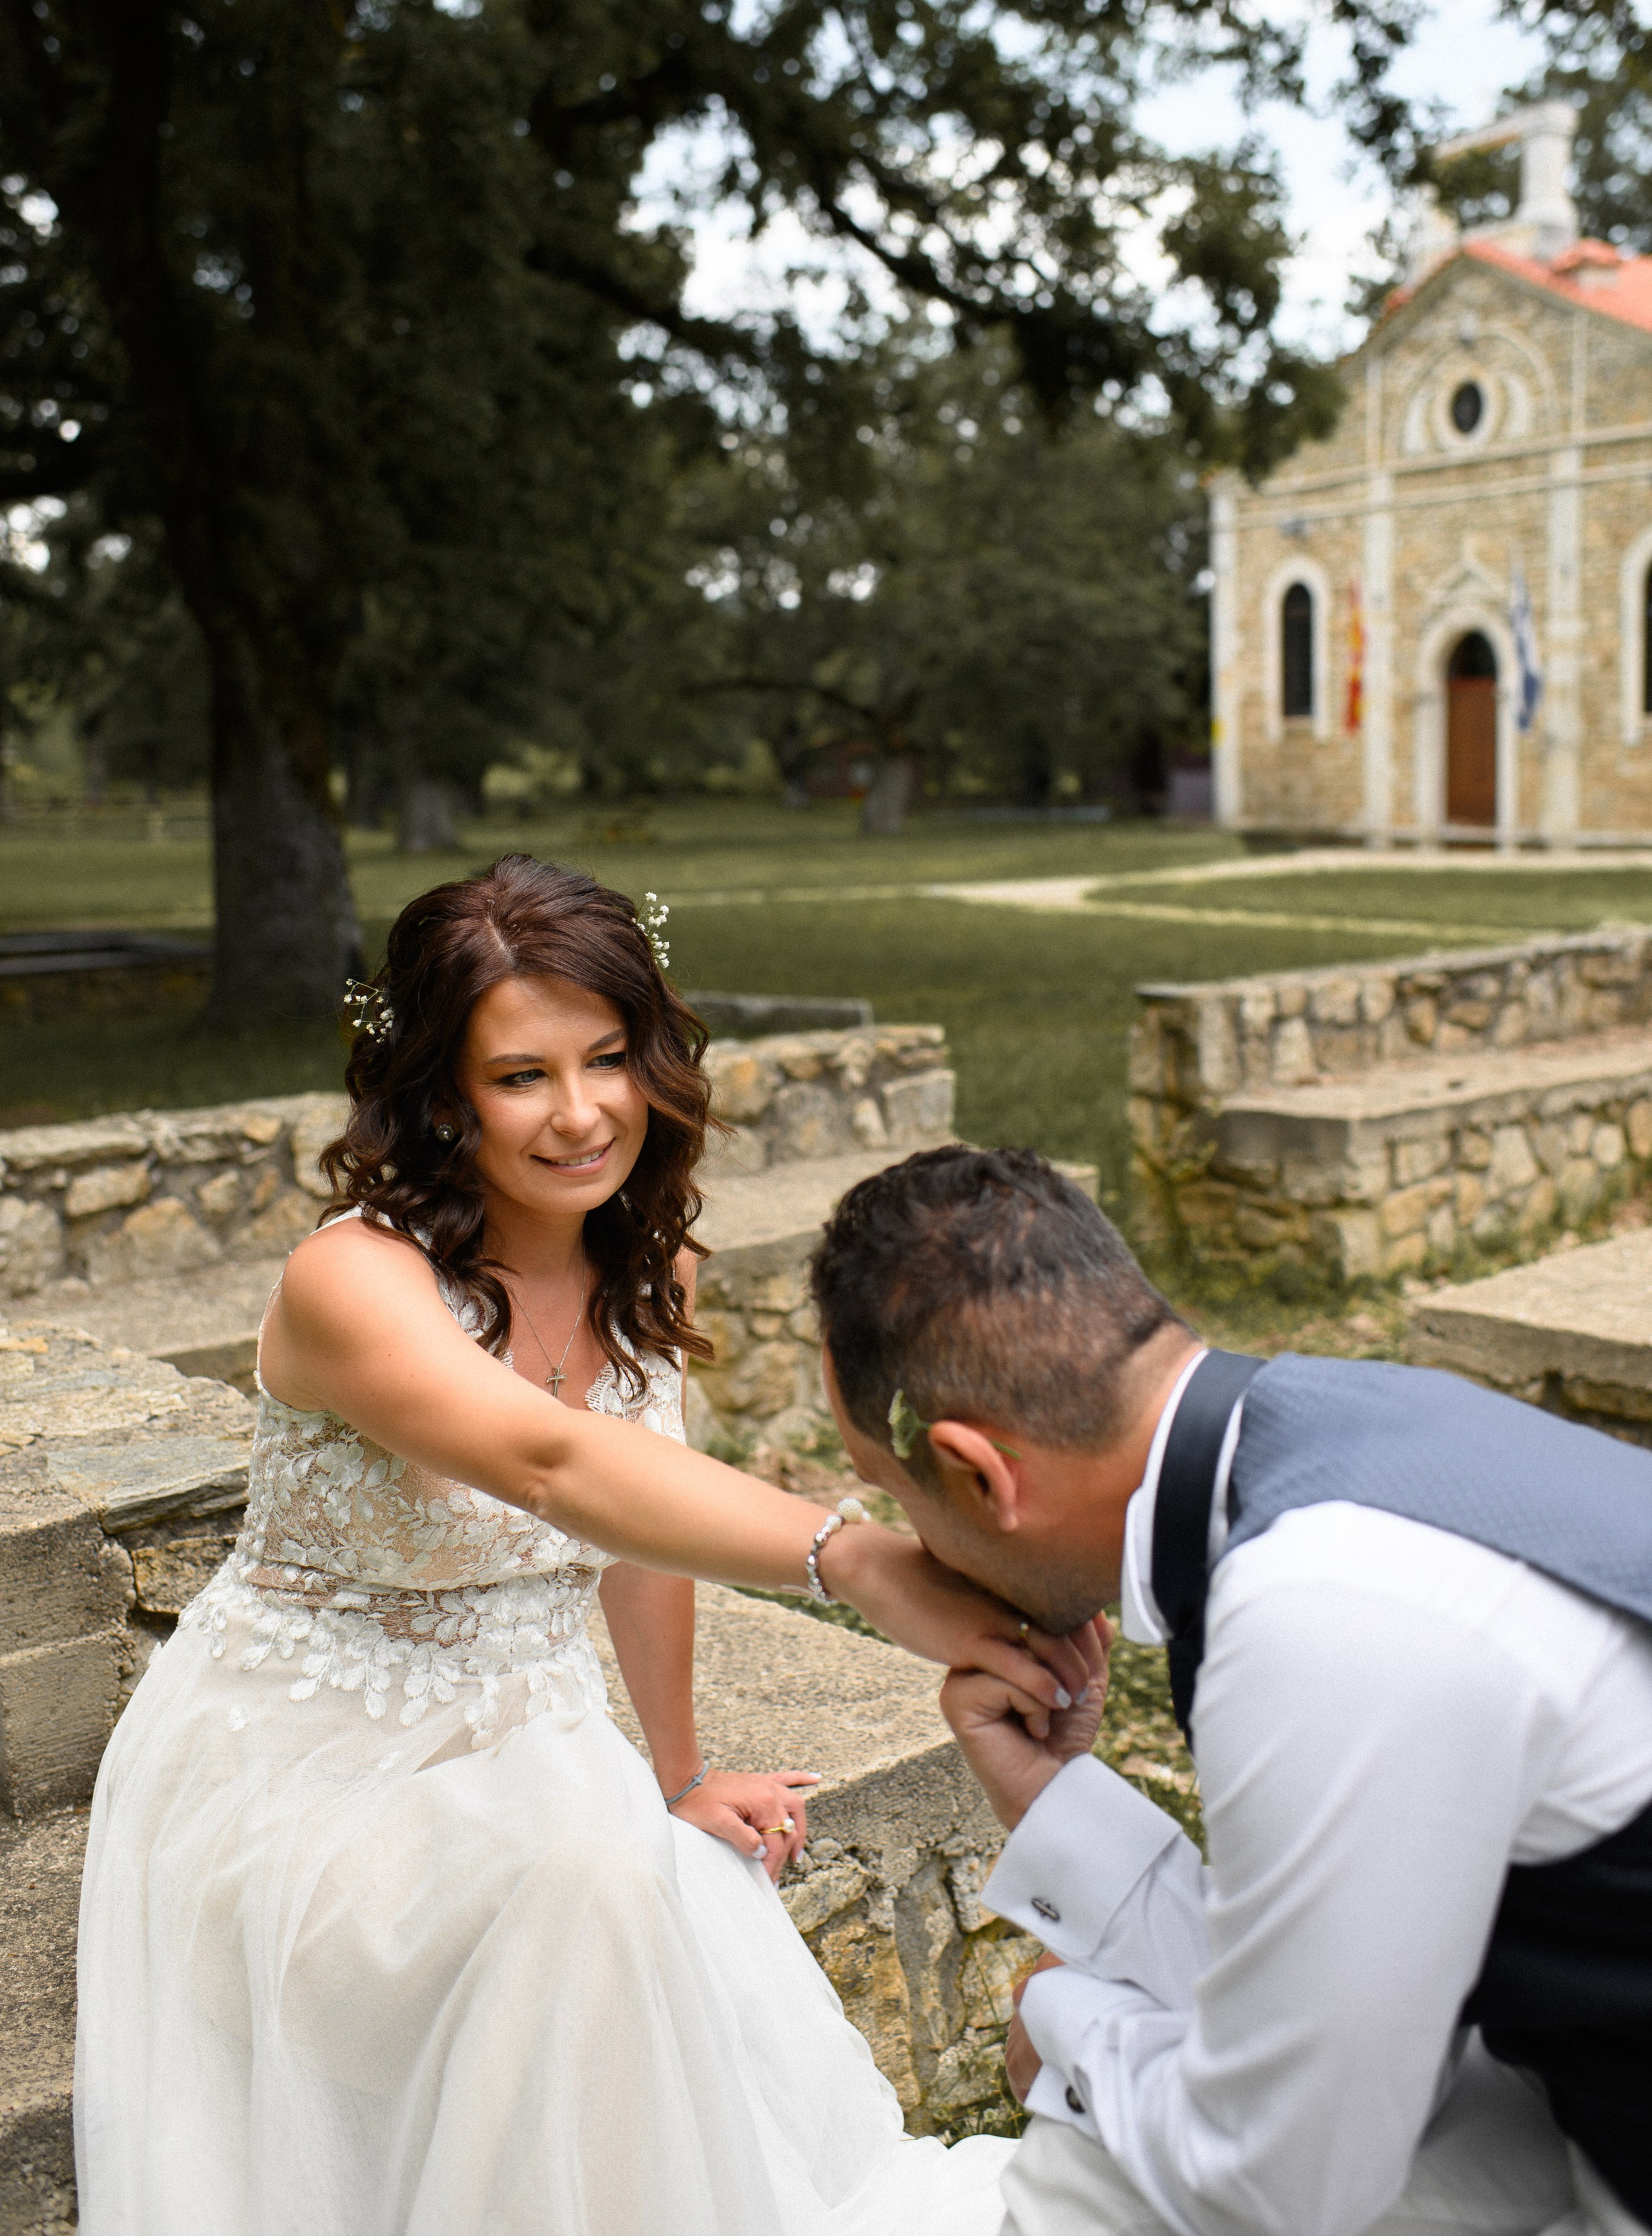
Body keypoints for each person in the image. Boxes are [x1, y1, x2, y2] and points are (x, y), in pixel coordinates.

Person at [76, 859, 1083, 2236]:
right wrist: (853, 1557)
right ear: (439, 1095)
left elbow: (632, 1525)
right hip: (305, 1767)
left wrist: (674, 1771)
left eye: (606, 1057)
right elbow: (556, 1466)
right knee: (582, 1890)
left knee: (613, 1871)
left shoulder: (644, 1266)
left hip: (532, 1738)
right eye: (518, 1076)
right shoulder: (354, 1283)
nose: (579, 1112)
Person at [808, 1143, 1652, 2236]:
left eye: (894, 1494)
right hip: (1586, 2099)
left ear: (981, 1474)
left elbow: (1281, 2182)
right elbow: (1337, 2008)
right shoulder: (1332, 1436)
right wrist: (1052, 1794)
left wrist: (1067, 2021)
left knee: (1091, 2173)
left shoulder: (1328, 1610)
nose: (916, 1547)